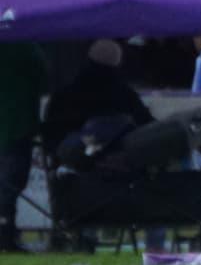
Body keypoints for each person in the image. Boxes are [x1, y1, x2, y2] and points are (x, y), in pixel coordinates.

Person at [41, 40, 153, 161]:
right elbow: (145, 121)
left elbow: (51, 131)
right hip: (115, 158)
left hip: (75, 155)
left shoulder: (66, 93)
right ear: (117, 63)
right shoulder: (124, 94)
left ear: (88, 60)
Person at [0, 42, 50, 252]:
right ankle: (5, 236)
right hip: (17, 128)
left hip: (15, 127)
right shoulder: (28, 49)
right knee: (9, 185)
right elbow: (45, 87)